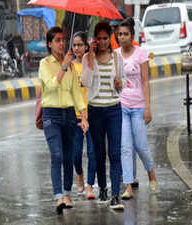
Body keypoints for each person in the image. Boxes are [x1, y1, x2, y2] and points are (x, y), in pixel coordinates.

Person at [39, 26, 89, 215]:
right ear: (49, 44)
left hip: (69, 114)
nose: (61, 43)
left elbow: (76, 92)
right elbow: (51, 86)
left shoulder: (70, 66)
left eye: (62, 39)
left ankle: (67, 193)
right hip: (51, 115)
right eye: (57, 40)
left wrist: (83, 116)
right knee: (57, 155)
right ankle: (58, 196)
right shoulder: (45, 64)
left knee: (68, 156)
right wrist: (63, 67)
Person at [81, 22, 126, 210]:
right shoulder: (87, 58)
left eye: (105, 38)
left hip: (114, 110)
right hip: (95, 111)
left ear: (110, 39)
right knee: (99, 154)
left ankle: (116, 195)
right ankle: (103, 189)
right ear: (94, 40)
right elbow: (85, 81)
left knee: (114, 153)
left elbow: (122, 83)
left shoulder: (117, 58)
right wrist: (90, 57)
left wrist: (119, 84)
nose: (102, 42)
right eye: (98, 38)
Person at [115, 17, 158, 200]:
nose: (122, 37)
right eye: (119, 35)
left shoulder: (141, 53)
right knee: (125, 147)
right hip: (122, 106)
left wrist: (148, 108)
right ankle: (129, 186)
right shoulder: (115, 55)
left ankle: (151, 174)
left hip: (139, 106)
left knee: (140, 146)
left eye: (125, 34)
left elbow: (146, 81)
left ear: (132, 36)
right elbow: (115, 82)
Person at [71, 31, 98, 200]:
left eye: (80, 45)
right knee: (75, 153)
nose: (77, 48)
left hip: (92, 113)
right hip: (75, 116)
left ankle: (89, 185)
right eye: (74, 45)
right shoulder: (70, 66)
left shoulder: (92, 64)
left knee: (92, 152)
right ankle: (79, 175)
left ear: (86, 46)